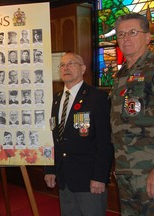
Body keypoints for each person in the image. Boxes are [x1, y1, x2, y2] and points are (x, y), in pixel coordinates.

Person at [44, 52, 113, 216]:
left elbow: (105, 141)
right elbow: (52, 137)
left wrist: (100, 176)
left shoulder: (97, 97)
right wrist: (50, 169)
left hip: (89, 179)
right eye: (62, 65)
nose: (66, 67)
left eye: (71, 63)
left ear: (83, 69)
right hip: (64, 178)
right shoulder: (56, 99)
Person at [110, 13, 154, 215]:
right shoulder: (121, 75)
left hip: (148, 170)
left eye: (132, 32)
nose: (125, 38)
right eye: (121, 34)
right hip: (125, 169)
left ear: (147, 37)